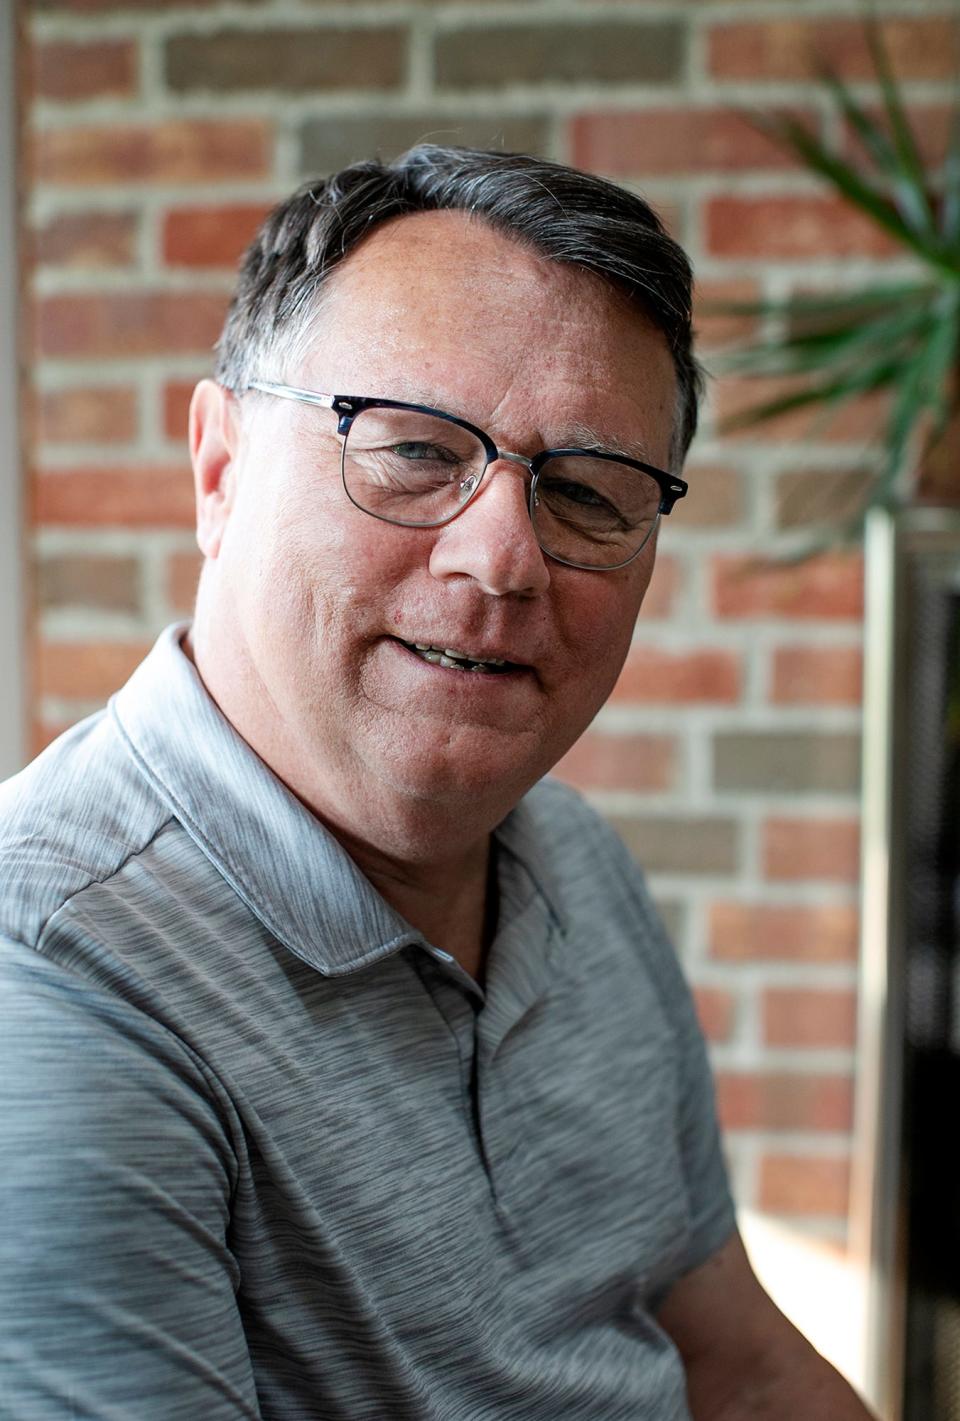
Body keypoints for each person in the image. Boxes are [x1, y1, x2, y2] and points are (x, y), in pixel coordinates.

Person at [0, 146, 872, 1420]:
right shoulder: (57, 975)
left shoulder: (572, 860)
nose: (503, 557)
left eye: (585, 490)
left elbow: (742, 1365)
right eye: (412, 449)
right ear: (220, 471)